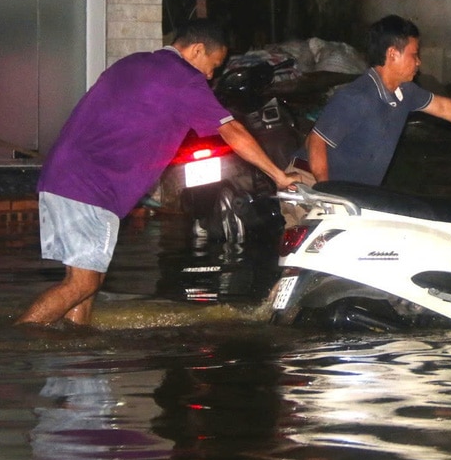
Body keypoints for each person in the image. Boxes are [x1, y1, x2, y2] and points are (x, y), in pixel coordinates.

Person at [16, 20, 300, 327]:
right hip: (90, 187)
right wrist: (278, 175)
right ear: (197, 50)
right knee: (83, 284)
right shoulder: (184, 80)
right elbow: (231, 130)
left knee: (88, 282)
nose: (210, 75)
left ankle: (75, 356)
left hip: (64, 176)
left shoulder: (133, 63)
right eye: (213, 66)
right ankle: (19, 340)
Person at [296, 14, 451, 185]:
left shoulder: (405, 92)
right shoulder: (357, 96)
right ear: (393, 54)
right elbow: (316, 141)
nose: (419, 62)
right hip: (309, 184)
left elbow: (445, 107)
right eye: (414, 54)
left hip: (351, 195)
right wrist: (327, 195)